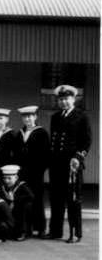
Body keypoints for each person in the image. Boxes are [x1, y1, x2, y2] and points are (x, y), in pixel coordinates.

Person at [48, 85, 91, 243]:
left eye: (66, 99)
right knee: (56, 199)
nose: (63, 102)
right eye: (61, 99)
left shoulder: (81, 116)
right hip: (56, 165)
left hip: (72, 165)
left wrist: (78, 158)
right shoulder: (55, 117)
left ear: (73, 99)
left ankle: (75, 233)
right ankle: (55, 231)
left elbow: (86, 141)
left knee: (73, 200)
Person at [14, 105, 50, 237]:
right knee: (24, 201)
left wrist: (39, 170)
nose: (27, 119)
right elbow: (16, 154)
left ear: (35, 117)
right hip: (22, 173)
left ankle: (40, 228)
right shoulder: (20, 133)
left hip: (36, 173)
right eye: (25, 116)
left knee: (37, 200)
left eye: (30, 116)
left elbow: (46, 155)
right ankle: (26, 229)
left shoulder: (41, 132)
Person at [0, 165, 34, 241]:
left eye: (9, 178)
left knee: (26, 206)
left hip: (20, 207)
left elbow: (31, 196)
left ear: (16, 177)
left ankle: (24, 232)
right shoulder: (4, 186)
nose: (6, 181)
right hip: (10, 208)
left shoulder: (22, 185)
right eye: (5, 178)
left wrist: (15, 199)